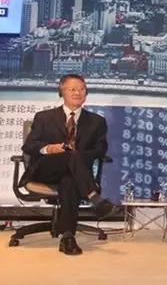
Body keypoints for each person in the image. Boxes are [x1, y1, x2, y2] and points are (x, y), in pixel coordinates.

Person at [20, 74, 115, 255]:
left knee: (69, 180)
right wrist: (49, 148)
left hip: (76, 174)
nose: (78, 93)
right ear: (61, 92)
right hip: (46, 170)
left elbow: (100, 150)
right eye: (72, 89)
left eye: (82, 89)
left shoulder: (97, 121)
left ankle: (68, 237)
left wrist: (77, 157)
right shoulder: (44, 117)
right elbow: (29, 146)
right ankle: (93, 196)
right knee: (69, 156)